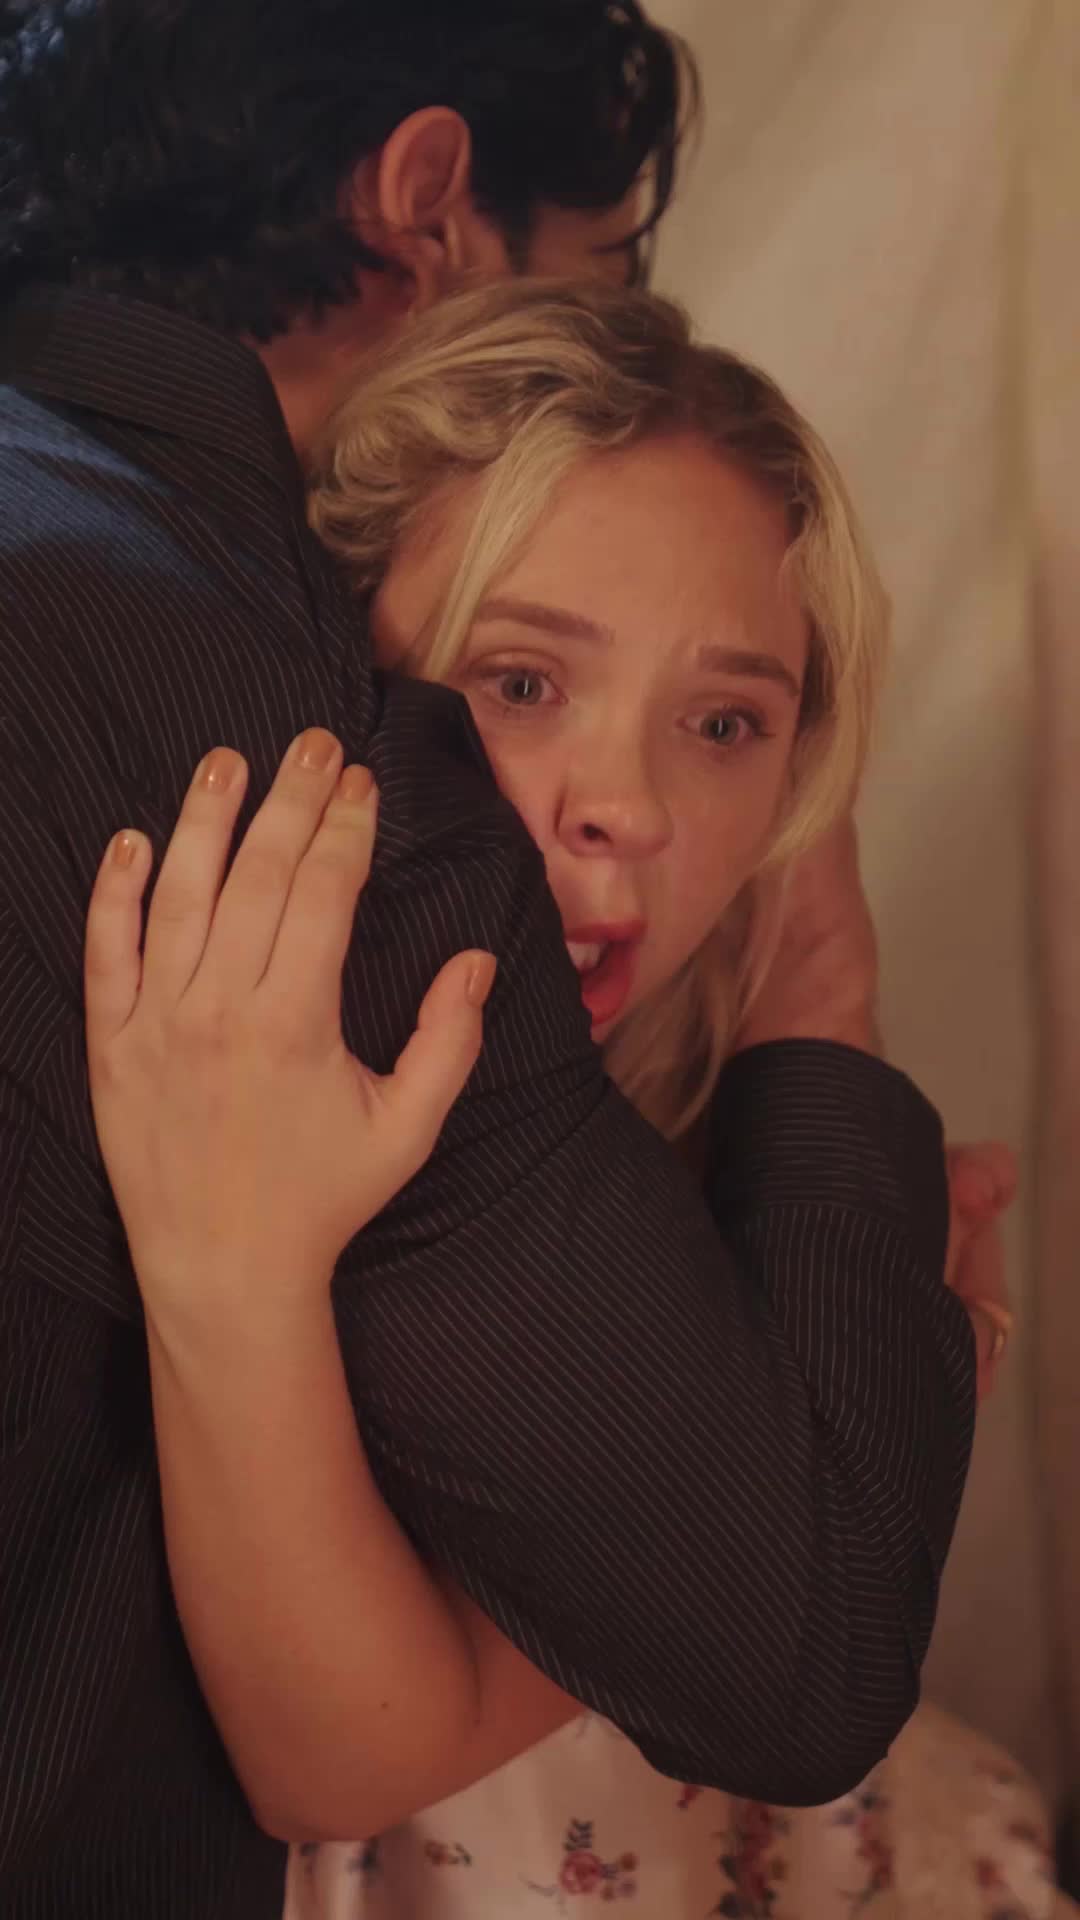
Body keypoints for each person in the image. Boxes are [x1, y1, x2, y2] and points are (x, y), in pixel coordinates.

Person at [0, 5, 976, 1915]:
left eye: (731, 722)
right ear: (428, 205)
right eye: (519, 683)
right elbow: (792, 1652)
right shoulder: (292, 757)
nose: (624, 807)